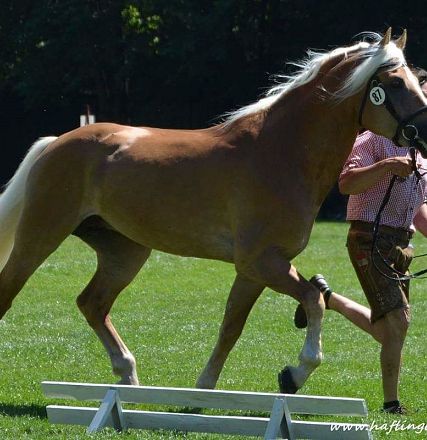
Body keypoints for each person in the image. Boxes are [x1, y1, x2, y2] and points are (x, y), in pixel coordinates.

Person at [294, 69, 427, 414]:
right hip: (368, 236)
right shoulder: (372, 140)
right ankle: (391, 405)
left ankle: (327, 298)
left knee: (388, 330)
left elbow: (419, 209)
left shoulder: (422, 154)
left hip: (401, 245)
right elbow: (347, 182)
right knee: (398, 323)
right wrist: (386, 166)